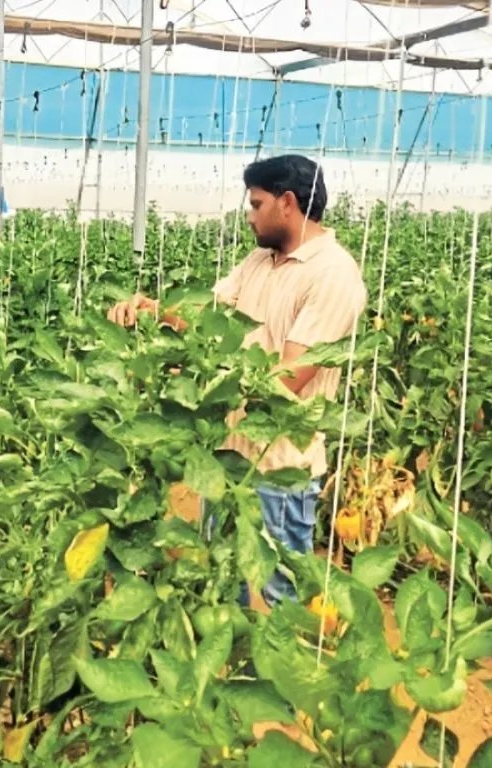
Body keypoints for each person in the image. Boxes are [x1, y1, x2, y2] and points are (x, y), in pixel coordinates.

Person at [107, 154, 367, 608]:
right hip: (229, 460)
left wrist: (203, 377)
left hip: (280, 468)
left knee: (280, 595)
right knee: (221, 588)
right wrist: (153, 311)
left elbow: (287, 380)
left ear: (287, 203)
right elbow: (207, 318)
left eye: (256, 204)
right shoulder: (259, 261)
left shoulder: (333, 273)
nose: (249, 216)